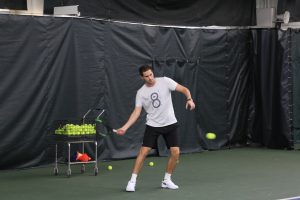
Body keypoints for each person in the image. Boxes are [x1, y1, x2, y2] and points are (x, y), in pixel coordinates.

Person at [116, 65, 195, 192]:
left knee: (175, 152)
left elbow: (184, 89)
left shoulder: (165, 81)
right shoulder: (141, 93)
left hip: (170, 123)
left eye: (151, 74)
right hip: (153, 125)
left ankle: (166, 180)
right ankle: (132, 181)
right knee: (144, 152)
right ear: (142, 77)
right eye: (146, 76)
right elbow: (136, 112)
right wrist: (125, 127)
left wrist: (189, 99)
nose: (150, 78)